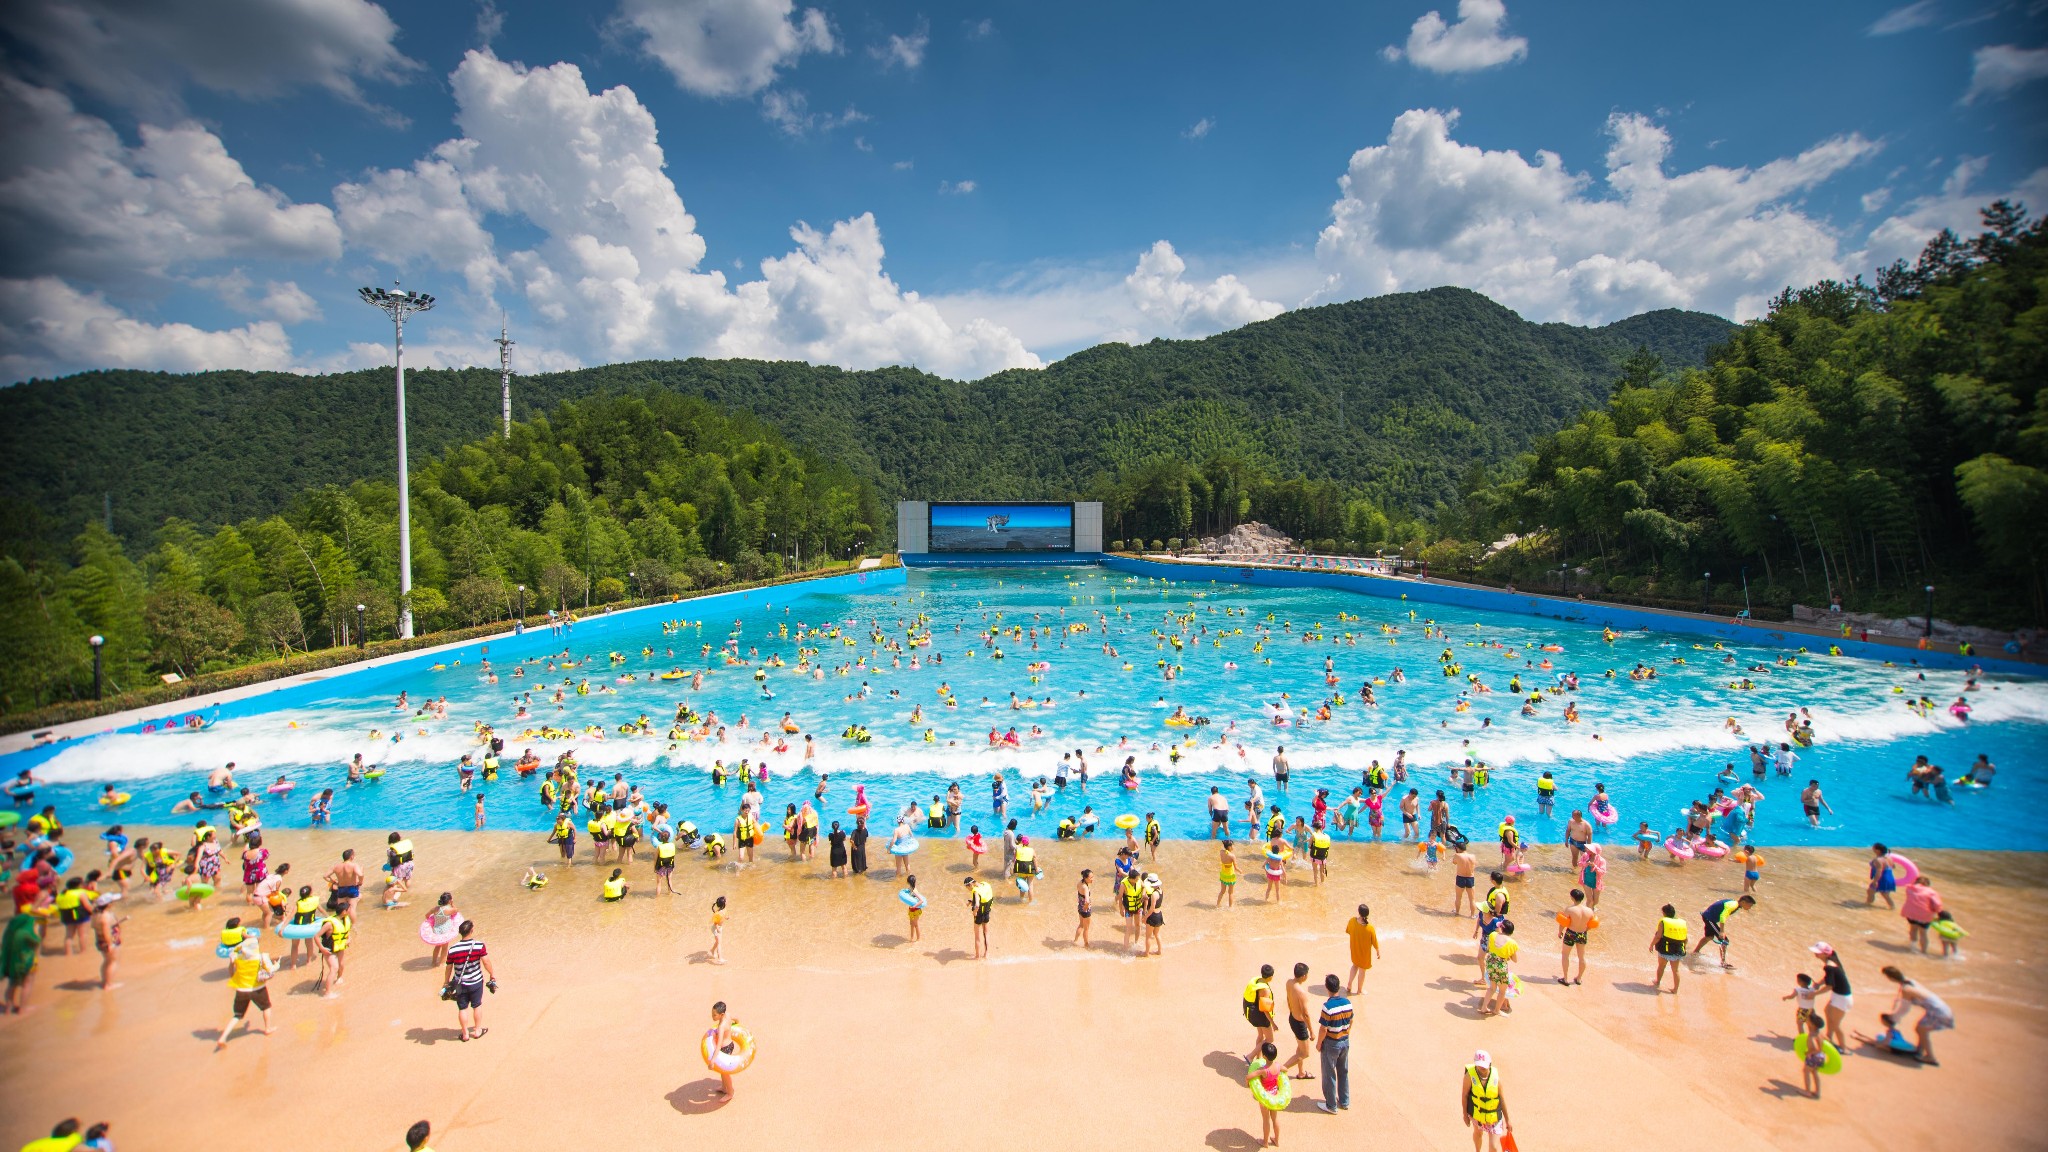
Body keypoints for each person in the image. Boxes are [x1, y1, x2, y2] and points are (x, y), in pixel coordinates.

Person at [214, 933, 277, 1051]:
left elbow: (231, 972)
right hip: (257, 989)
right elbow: (271, 970)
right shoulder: (261, 957)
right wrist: (276, 965)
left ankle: (223, 1037)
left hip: (241, 990)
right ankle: (267, 1028)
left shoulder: (238, 958)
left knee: (237, 1015)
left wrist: (234, 956)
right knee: (266, 1007)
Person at [1881, 965, 1953, 1065]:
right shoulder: (1909, 982)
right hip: (1942, 1008)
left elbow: (1904, 1008)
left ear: (1891, 978)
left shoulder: (1906, 989)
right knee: (1920, 1028)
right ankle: (1920, 1050)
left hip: (1936, 1011)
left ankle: (1930, 1057)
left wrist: (1893, 1019)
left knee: (1920, 1030)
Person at [442, 920, 494, 1041]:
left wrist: (446, 982)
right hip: (476, 981)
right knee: (477, 1005)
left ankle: (465, 1034)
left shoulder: (453, 949)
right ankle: (477, 1030)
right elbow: (486, 962)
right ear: (471, 931)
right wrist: (492, 974)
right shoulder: (478, 945)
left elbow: (449, 967)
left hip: (460, 984)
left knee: (462, 1008)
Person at [1314, 973, 1352, 1114]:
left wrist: (1319, 1044)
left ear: (1327, 987)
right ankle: (1344, 1101)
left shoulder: (1327, 1007)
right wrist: (1346, 1033)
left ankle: (1331, 1105)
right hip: (1345, 1041)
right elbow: (1351, 1020)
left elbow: (1323, 1028)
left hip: (1331, 1043)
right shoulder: (1348, 1003)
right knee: (1343, 1071)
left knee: (1329, 1074)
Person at [1461, 1050, 1511, 1152]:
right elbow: (1465, 1095)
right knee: (1478, 1134)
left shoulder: (1496, 1078)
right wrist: (1465, 1115)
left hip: (1494, 1118)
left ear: (1490, 1063)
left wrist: (1508, 1120)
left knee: (1494, 1148)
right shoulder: (1469, 1076)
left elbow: (1501, 1098)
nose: (1482, 1067)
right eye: (1479, 1065)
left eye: (1484, 1065)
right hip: (1477, 1116)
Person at [1277, 962, 1316, 1080]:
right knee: (1305, 1053)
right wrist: (1311, 1031)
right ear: (1304, 976)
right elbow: (1306, 1014)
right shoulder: (1301, 993)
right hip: (1299, 1024)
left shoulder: (1289, 983)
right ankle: (1279, 1070)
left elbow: (1288, 999)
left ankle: (1301, 1072)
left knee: (1300, 1048)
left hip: (1292, 1018)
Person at [1693, 894, 1754, 968]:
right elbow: (1723, 916)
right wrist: (1721, 932)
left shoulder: (1735, 903)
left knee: (1709, 937)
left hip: (1708, 916)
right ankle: (1723, 962)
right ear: (1743, 902)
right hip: (1709, 919)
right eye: (1750, 905)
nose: (1750, 908)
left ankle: (1695, 952)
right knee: (1724, 940)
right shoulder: (1733, 905)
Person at [1812, 942, 1852, 1049]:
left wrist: (1814, 994)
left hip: (1842, 998)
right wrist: (1818, 984)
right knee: (1827, 1011)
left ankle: (1844, 1048)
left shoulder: (1829, 966)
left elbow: (1829, 985)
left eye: (1818, 953)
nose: (1815, 955)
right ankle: (1829, 1038)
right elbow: (1828, 978)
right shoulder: (1832, 961)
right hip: (1838, 995)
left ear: (1825, 954)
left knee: (1835, 1024)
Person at [1247, 1041, 1286, 1147]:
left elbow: (1249, 1076)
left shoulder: (1263, 1070)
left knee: (1266, 1119)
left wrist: (1248, 1084)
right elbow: (1285, 1069)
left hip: (1265, 1098)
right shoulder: (1278, 1066)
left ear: (1264, 1056)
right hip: (1275, 1095)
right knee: (1275, 1119)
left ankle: (1265, 1142)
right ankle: (1276, 1140)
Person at [4, 909, 42, 1014]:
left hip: (12, 963)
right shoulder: (27, 933)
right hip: (27, 961)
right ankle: (23, 1009)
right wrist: (36, 930)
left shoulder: (10, 934)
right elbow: (37, 943)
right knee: (27, 985)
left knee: (12, 984)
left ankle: (8, 1008)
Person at [1558, 888, 1595, 985]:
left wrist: (1560, 932)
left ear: (1572, 898)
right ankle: (1579, 978)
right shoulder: (1589, 911)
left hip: (1571, 933)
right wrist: (1585, 931)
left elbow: (1563, 923)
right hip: (1582, 934)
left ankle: (1565, 978)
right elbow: (1591, 925)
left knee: (1565, 955)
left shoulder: (1570, 909)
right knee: (1581, 957)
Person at [1901, 873, 1944, 952]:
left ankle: (1912, 947)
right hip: (1925, 916)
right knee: (1923, 933)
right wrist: (1938, 912)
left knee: (1913, 929)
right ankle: (1923, 951)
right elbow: (1937, 904)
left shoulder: (1909, 889)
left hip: (1911, 913)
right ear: (1928, 884)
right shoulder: (1931, 892)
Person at [1242, 964, 1276, 1063]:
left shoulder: (1257, 981)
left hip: (1254, 1014)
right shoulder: (1265, 990)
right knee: (1270, 1039)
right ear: (1270, 977)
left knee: (1261, 1036)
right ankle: (1250, 1056)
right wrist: (1273, 1023)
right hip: (1261, 1017)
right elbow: (1265, 1009)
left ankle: (1258, 1059)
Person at [1798, 995, 1830, 1099]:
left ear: (1812, 1025)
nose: (1806, 1021)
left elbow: (1817, 1048)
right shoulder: (1820, 1034)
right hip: (1821, 1057)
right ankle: (1817, 1092)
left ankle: (1807, 1091)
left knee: (1806, 1071)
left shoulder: (1812, 1036)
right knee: (1815, 1073)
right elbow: (1827, 1041)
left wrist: (1809, 1053)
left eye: (1808, 1021)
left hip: (1814, 1056)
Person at [1651, 903, 1687, 993]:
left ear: (1664, 913)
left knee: (1661, 966)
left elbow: (1658, 936)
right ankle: (1675, 989)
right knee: (1675, 970)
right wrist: (1683, 947)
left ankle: (1657, 982)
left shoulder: (1663, 922)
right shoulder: (1682, 922)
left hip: (1665, 949)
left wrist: (1651, 945)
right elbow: (1685, 939)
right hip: (1678, 950)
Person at [1344, 904, 1379, 993]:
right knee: (1362, 970)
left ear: (1359, 912)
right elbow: (1374, 941)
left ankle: (1349, 984)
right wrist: (1378, 951)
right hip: (1364, 953)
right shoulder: (1370, 928)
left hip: (1354, 949)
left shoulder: (1352, 921)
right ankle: (1359, 990)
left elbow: (1348, 931)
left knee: (1354, 965)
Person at [965, 877, 993, 959]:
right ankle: (986, 954)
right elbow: (983, 898)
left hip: (979, 915)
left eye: (967, 887)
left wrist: (974, 912)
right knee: (986, 933)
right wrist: (971, 901)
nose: (968, 890)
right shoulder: (985, 884)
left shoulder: (976, 891)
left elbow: (977, 905)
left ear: (970, 885)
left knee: (977, 936)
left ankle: (977, 956)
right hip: (987, 912)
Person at [1451, 842, 1478, 915]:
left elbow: (1454, 862)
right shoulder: (1473, 856)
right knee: (1472, 899)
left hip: (1460, 877)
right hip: (1470, 878)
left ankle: (1457, 912)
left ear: (1458, 848)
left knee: (1458, 897)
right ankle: (1472, 915)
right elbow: (1475, 864)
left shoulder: (1457, 855)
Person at [1073, 869, 1093, 948]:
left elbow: (1079, 893)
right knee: (1086, 928)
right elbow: (1087, 901)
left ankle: (1075, 941)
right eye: (1091, 878)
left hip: (1080, 907)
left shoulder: (1079, 883)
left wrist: (1082, 907)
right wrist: (1085, 908)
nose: (1092, 879)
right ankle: (1086, 944)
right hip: (1085, 910)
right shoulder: (1085, 888)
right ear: (1085, 878)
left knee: (1081, 925)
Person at [902, 876, 925, 942]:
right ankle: (911, 938)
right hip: (911, 909)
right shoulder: (910, 889)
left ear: (908, 882)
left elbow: (921, 901)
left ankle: (918, 939)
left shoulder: (914, 891)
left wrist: (914, 906)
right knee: (911, 924)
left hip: (915, 909)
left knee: (916, 925)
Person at [709, 896, 727, 964]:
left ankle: (712, 951)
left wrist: (726, 917)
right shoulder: (717, 913)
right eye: (726, 900)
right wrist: (718, 930)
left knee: (717, 942)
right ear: (723, 903)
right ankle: (720, 959)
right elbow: (715, 923)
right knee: (719, 943)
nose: (727, 901)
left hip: (719, 928)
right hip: (716, 929)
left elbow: (724, 915)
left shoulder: (724, 910)